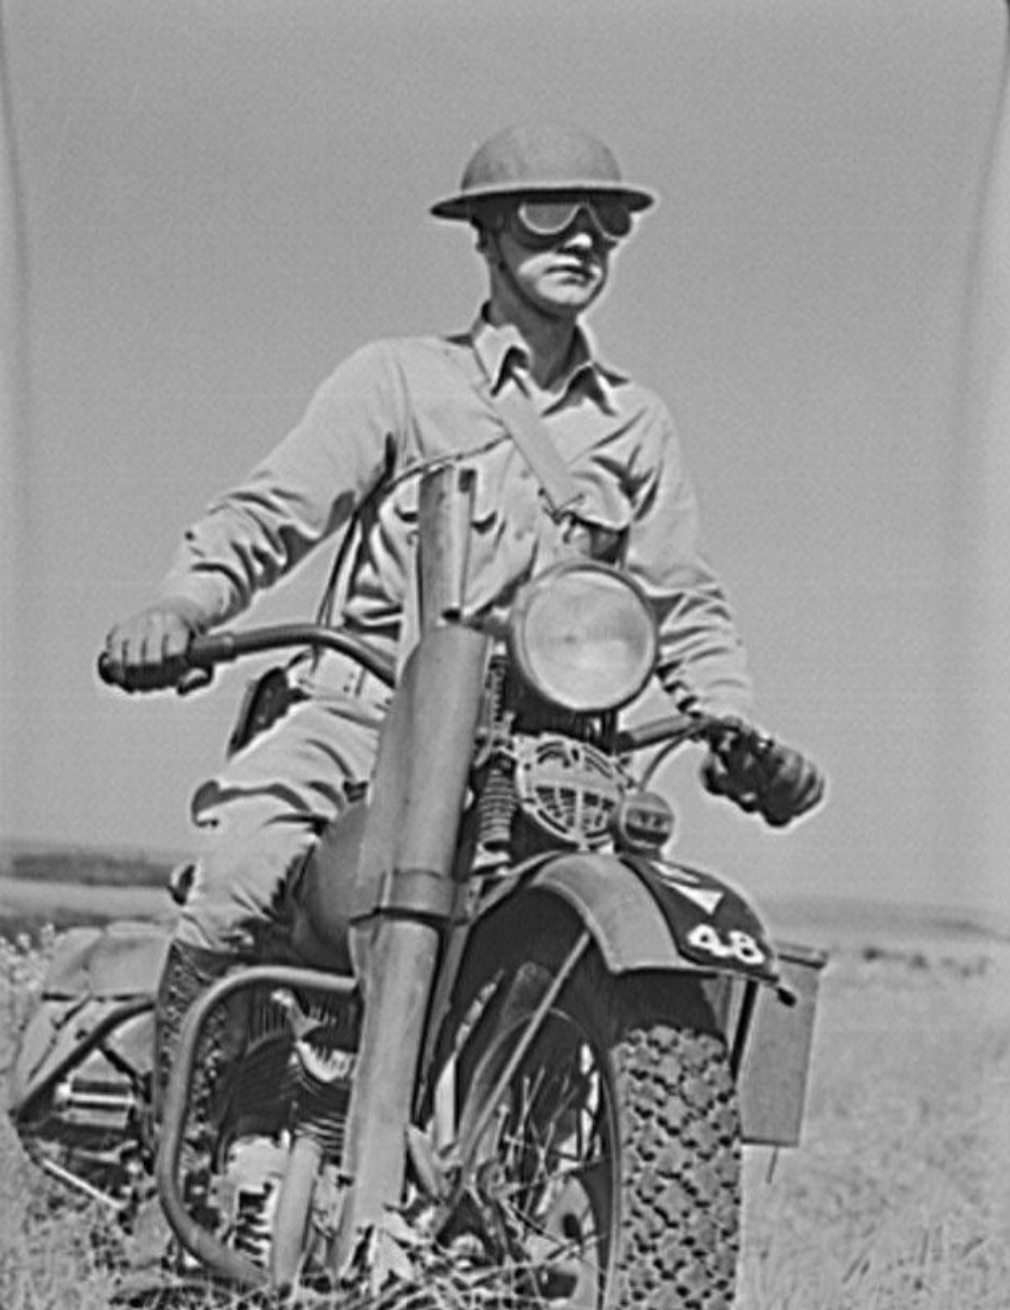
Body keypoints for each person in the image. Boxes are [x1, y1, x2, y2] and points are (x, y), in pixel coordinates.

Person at [102, 120, 824, 1103]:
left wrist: (728, 715)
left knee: (637, 941)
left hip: (543, 753)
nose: (580, 239)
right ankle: (176, 1154)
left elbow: (677, 597)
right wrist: (181, 604)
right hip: (362, 714)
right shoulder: (399, 380)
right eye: (546, 215)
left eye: (604, 219)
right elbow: (275, 514)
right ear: (485, 236)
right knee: (240, 866)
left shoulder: (632, 425)